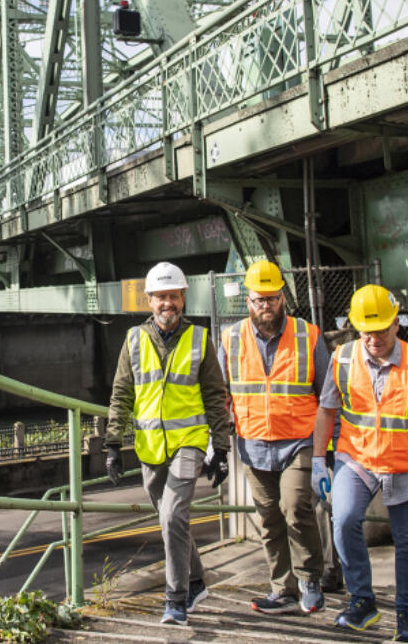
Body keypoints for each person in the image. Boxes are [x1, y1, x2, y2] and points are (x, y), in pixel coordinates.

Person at [311, 284, 408, 644]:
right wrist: (317, 460)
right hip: (356, 459)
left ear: (397, 325)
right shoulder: (342, 358)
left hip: (405, 465)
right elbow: (327, 411)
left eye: (381, 330)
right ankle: (362, 601)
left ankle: (407, 620)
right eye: (365, 331)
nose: (373, 338)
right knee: (343, 520)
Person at [105, 261, 231, 626]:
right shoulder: (133, 340)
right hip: (149, 447)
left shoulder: (200, 339)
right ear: (149, 301)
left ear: (183, 298)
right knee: (169, 519)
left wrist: (220, 449)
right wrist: (113, 444)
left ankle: (175, 600)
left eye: (173, 296)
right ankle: (196, 580)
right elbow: (121, 394)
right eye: (160, 297)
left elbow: (215, 396)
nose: (167, 304)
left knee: (174, 515)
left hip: (189, 443)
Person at [219, 260, 329, 615]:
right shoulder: (231, 338)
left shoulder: (308, 335)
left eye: (271, 298)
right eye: (258, 300)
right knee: (268, 519)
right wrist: (216, 445)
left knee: (296, 508)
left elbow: (328, 395)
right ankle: (282, 589)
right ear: (247, 302)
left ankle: (310, 580)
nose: (265, 305)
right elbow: (219, 394)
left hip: (300, 440)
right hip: (253, 445)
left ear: (283, 297)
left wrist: (329, 451)